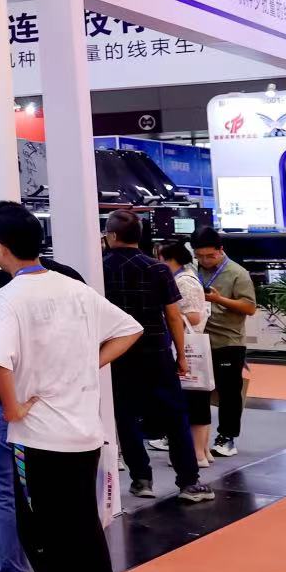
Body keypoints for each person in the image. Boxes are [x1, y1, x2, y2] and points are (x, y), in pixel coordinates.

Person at [0, 206, 144, 572]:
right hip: (83, 429)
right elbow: (130, 330)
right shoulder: (75, 289)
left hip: (38, 435)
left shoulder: (8, 298)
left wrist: (12, 409)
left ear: (1, 248)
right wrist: (89, 364)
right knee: (83, 523)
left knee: (41, 528)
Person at [0, 201, 79, 572]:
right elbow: (108, 335)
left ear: (1, 243)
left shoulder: (1, 287)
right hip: (66, 408)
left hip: (11, 408)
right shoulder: (71, 279)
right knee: (64, 500)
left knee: (1, 493)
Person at [99, 211, 210, 502]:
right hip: (156, 352)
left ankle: (141, 479)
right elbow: (173, 316)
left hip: (117, 353)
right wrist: (181, 356)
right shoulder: (158, 269)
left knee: (125, 416)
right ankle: (189, 482)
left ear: (111, 236)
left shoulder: (100, 269)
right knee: (175, 415)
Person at [190, 228, 257, 456]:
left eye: (210, 256)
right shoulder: (193, 270)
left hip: (228, 341)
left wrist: (219, 299)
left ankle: (227, 437)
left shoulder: (237, 273)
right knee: (195, 391)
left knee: (229, 392)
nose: (205, 261)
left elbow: (249, 307)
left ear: (221, 250)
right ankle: (194, 437)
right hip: (197, 341)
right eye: (200, 256)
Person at [156, 240, 213, 468]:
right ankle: (202, 451)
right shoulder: (186, 278)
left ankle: (196, 453)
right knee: (197, 399)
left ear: (170, 259)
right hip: (191, 347)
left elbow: (194, 316)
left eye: (160, 258)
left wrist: (168, 316)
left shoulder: (183, 281)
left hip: (188, 347)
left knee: (193, 401)